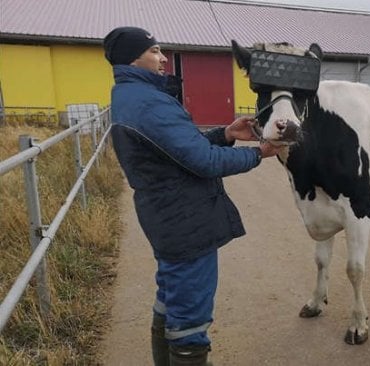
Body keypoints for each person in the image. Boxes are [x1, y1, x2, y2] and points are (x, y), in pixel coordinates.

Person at [103, 26, 282, 365]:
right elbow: (204, 161)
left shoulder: (132, 96)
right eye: (155, 50)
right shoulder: (149, 103)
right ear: (133, 57)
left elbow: (180, 151)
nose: (163, 57)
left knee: (170, 298)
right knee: (190, 318)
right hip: (184, 220)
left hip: (167, 214)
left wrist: (226, 134)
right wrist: (258, 153)